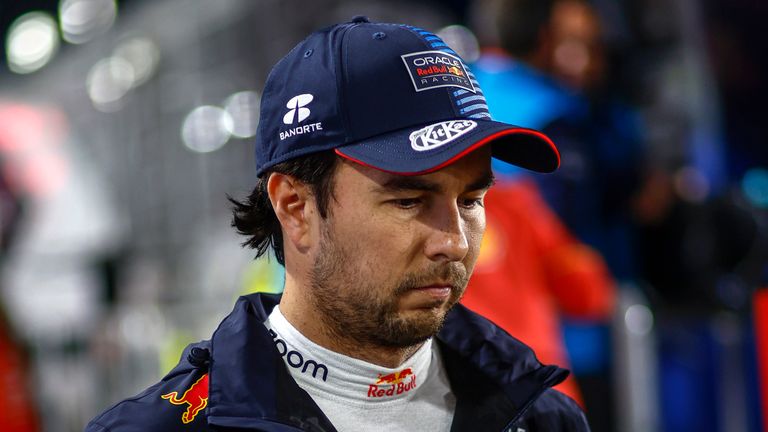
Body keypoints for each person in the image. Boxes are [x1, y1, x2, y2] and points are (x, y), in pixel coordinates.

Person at [85, 17, 589, 432]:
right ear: (295, 207)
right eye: (410, 201)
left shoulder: (544, 419)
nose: (454, 241)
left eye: (472, 199)